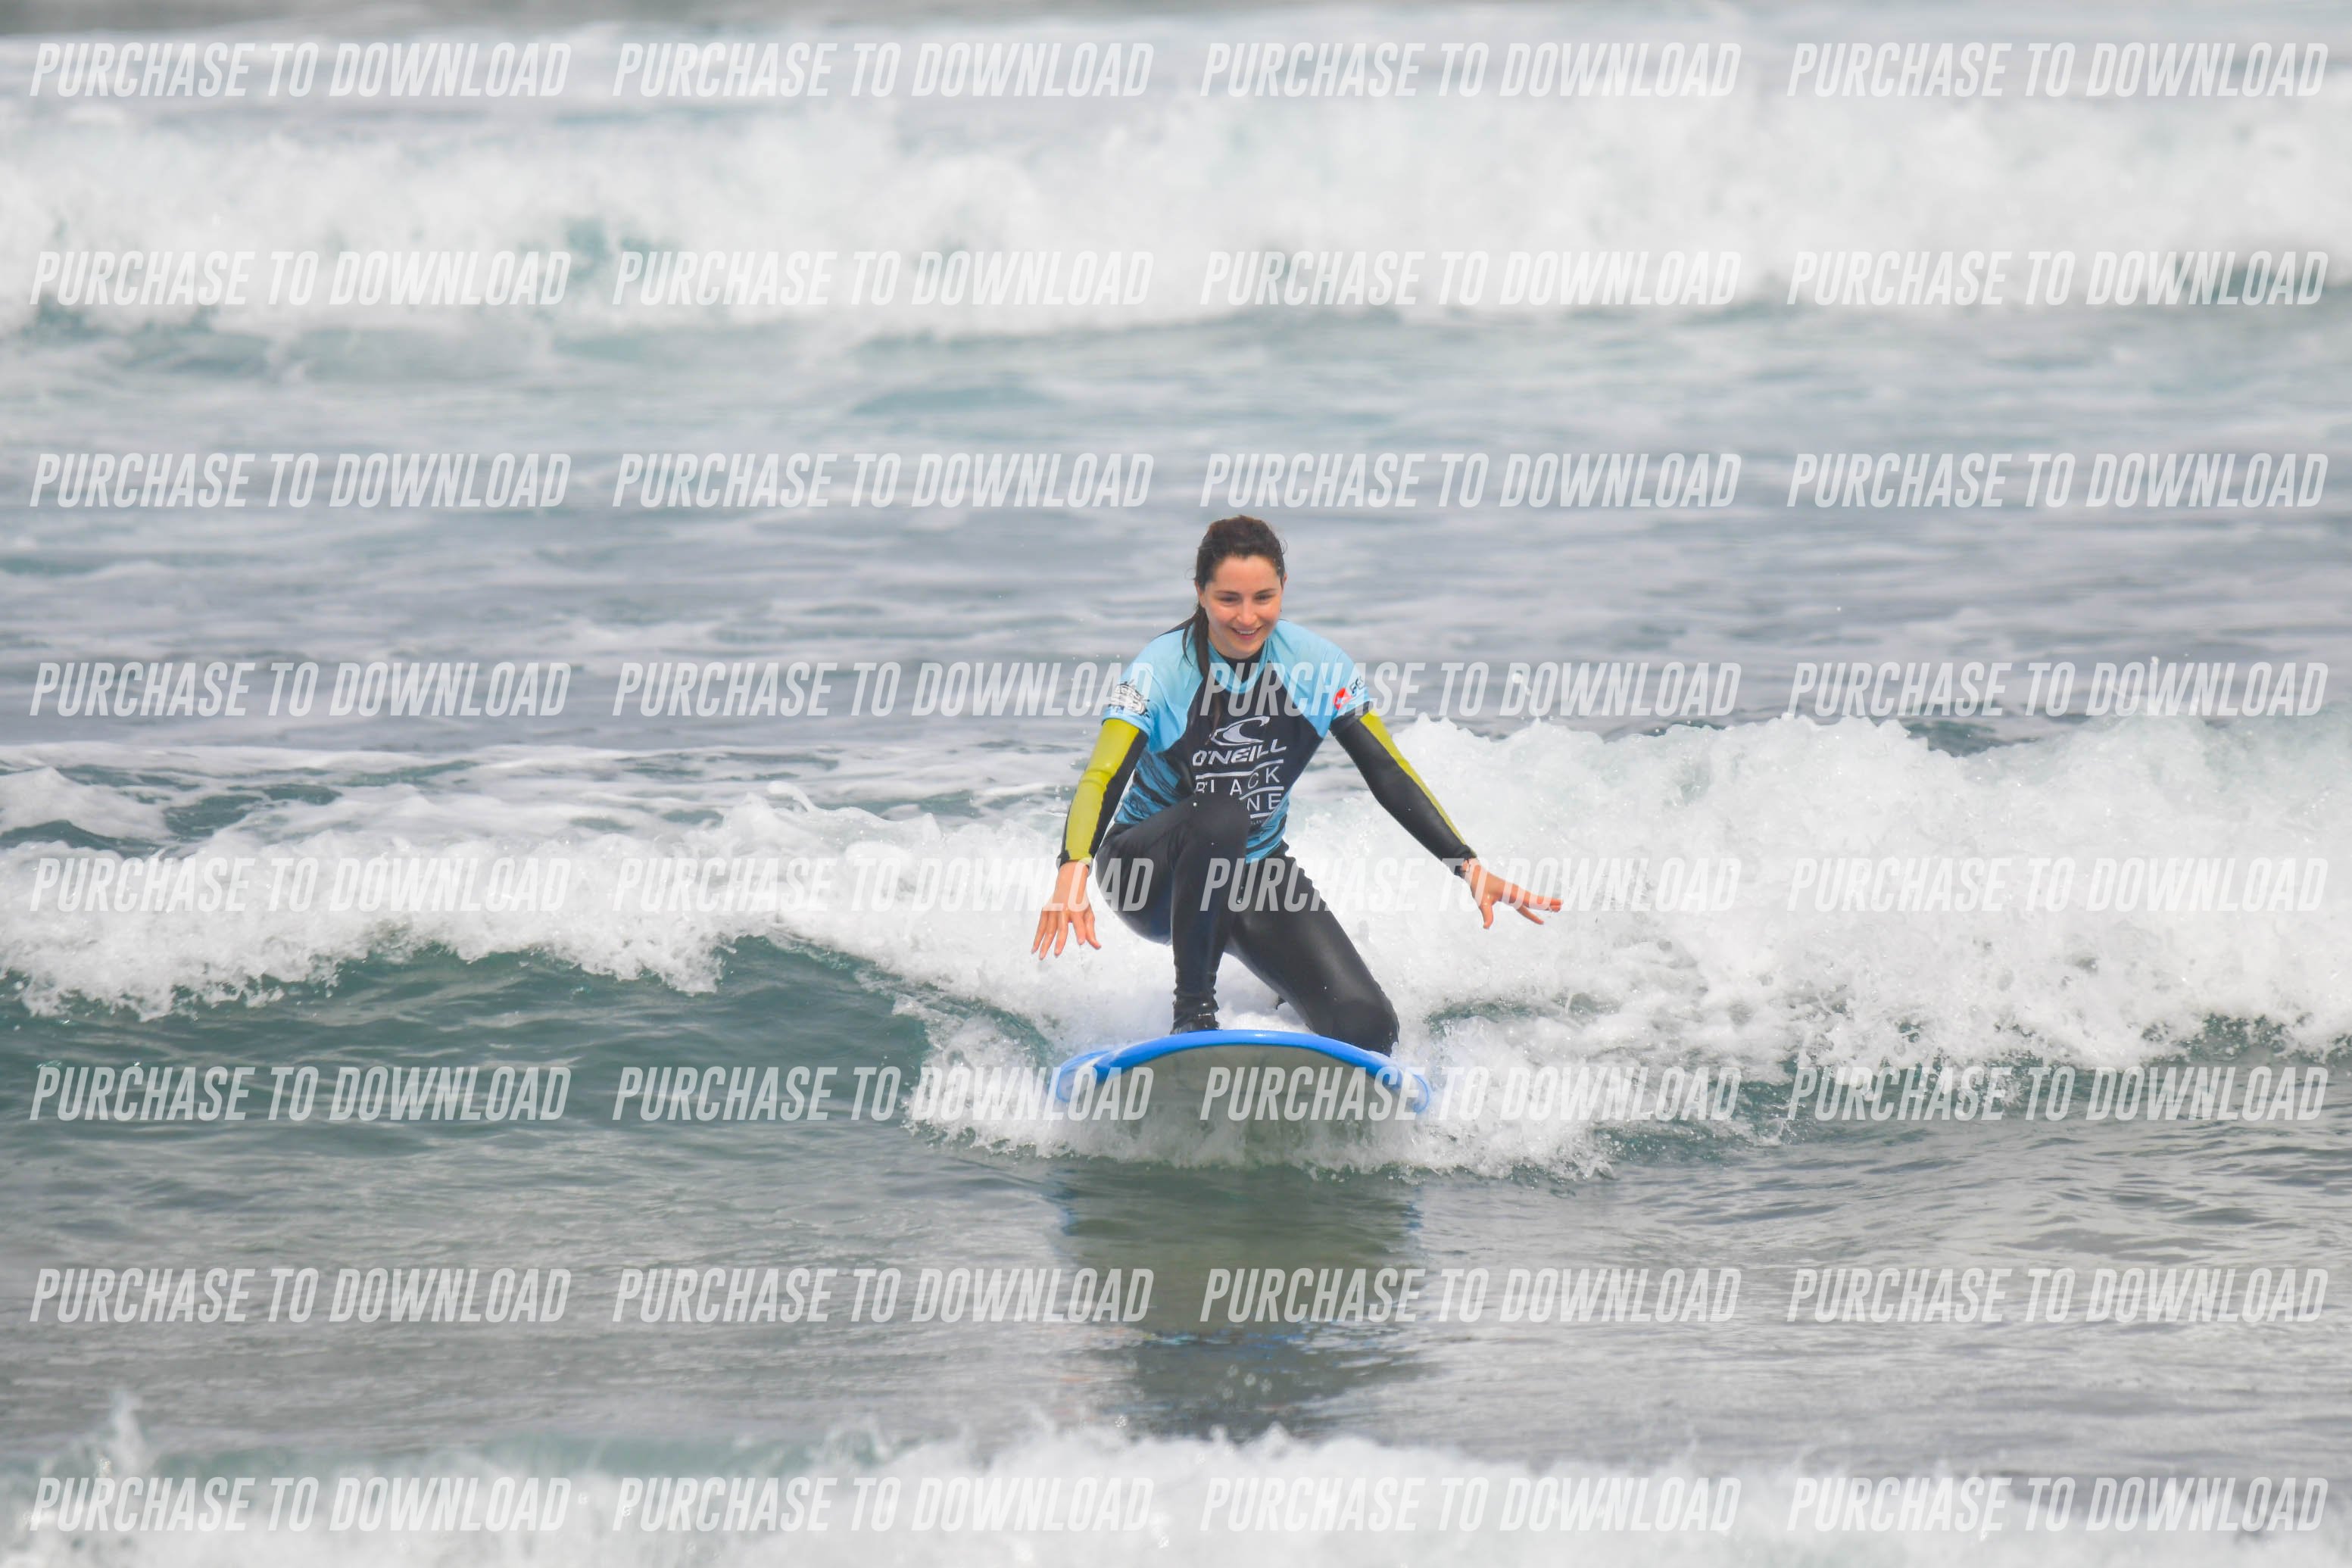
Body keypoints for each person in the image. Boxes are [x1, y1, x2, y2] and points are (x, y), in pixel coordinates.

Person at [1031, 516, 1557, 1053]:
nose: (1247, 617)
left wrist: (1466, 863)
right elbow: (1103, 776)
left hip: (1253, 873)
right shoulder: (1161, 671)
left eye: (1264, 597)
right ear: (1201, 593)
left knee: (1368, 1031)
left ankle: (1283, 991)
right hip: (1148, 875)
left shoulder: (1317, 667)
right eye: (1228, 599)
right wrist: (1073, 867)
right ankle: (1194, 1017)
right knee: (1223, 811)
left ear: (1284, 587)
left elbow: (1386, 770)